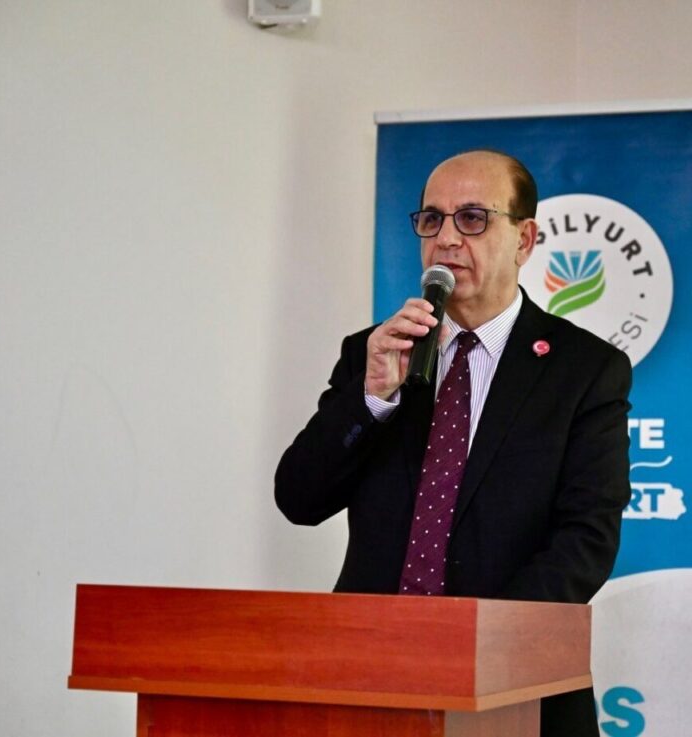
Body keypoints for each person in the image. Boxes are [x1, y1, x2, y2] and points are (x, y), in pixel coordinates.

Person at [275, 150, 632, 736]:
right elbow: (298, 498)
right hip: (368, 677)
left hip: (514, 683)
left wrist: (475, 642)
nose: (445, 239)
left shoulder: (584, 370)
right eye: (431, 219)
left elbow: (587, 539)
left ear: (524, 239)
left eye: (471, 218)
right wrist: (371, 399)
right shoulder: (377, 353)